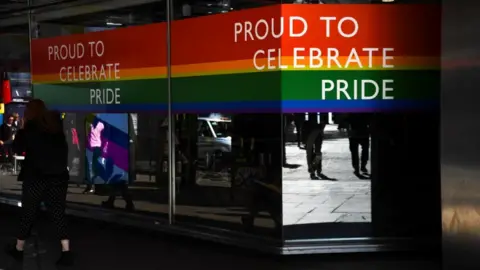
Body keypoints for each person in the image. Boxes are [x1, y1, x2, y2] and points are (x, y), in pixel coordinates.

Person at [5, 99, 73, 266]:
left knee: (28, 213)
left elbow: (17, 147)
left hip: (36, 177)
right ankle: (66, 251)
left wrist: (22, 128)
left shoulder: (30, 127)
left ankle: (19, 249)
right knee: (58, 213)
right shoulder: (55, 127)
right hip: (58, 176)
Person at [84, 117, 106, 194]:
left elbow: (86, 135)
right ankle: (95, 187)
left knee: (90, 167)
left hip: (91, 147)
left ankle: (91, 186)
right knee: (95, 167)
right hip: (97, 147)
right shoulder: (101, 125)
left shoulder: (89, 124)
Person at [346, 113, 371, 177]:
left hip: (354, 132)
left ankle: (356, 167)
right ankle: (363, 166)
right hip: (363, 131)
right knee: (365, 149)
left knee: (354, 151)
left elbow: (346, 119)